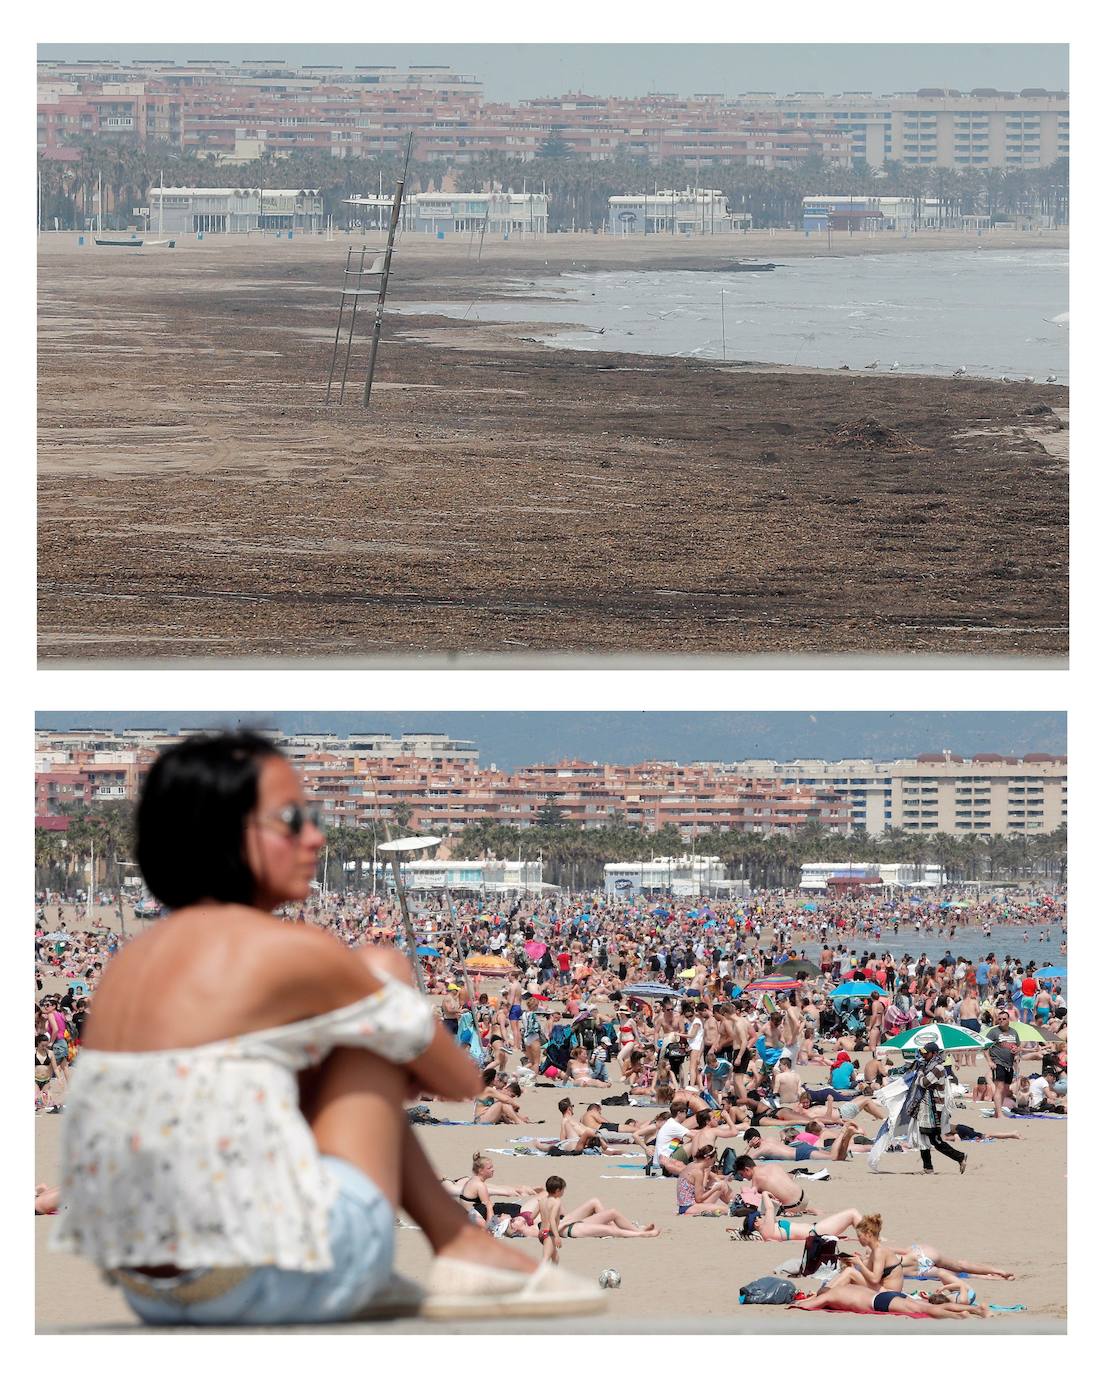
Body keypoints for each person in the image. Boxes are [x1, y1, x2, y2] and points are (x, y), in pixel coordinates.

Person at [50, 733, 601, 1326]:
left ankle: (416, 1258)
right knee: (378, 979)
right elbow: (461, 1081)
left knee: (327, 1042)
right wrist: (390, 1016)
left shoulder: (128, 965)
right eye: (292, 819)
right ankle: (462, 1247)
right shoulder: (292, 950)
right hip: (255, 1279)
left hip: (150, 1292)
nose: (315, 836)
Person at [676, 1146, 735, 1216]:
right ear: (708, 1159)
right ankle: (737, 1206)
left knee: (722, 1184)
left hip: (688, 1204)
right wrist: (714, 1189)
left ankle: (736, 1203)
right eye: (714, 1160)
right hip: (689, 1207)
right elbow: (699, 1199)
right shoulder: (698, 1172)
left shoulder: (692, 1165)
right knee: (726, 1209)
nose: (714, 1162)